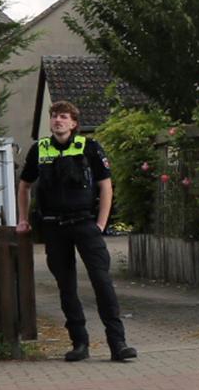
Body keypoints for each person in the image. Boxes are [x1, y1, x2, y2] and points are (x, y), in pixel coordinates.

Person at [15, 101, 137, 362]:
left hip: (84, 223)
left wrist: (101, 224)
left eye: (63, 117)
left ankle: (118, 343)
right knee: (66, 286)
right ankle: (79, 343)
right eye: (54, 116)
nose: (57, 121)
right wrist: (23, 220)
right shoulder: (40, 149)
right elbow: (24, 186)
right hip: (53, 225)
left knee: (101, 282)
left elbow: (106, 186)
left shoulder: (89, 147)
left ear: (73, 123)